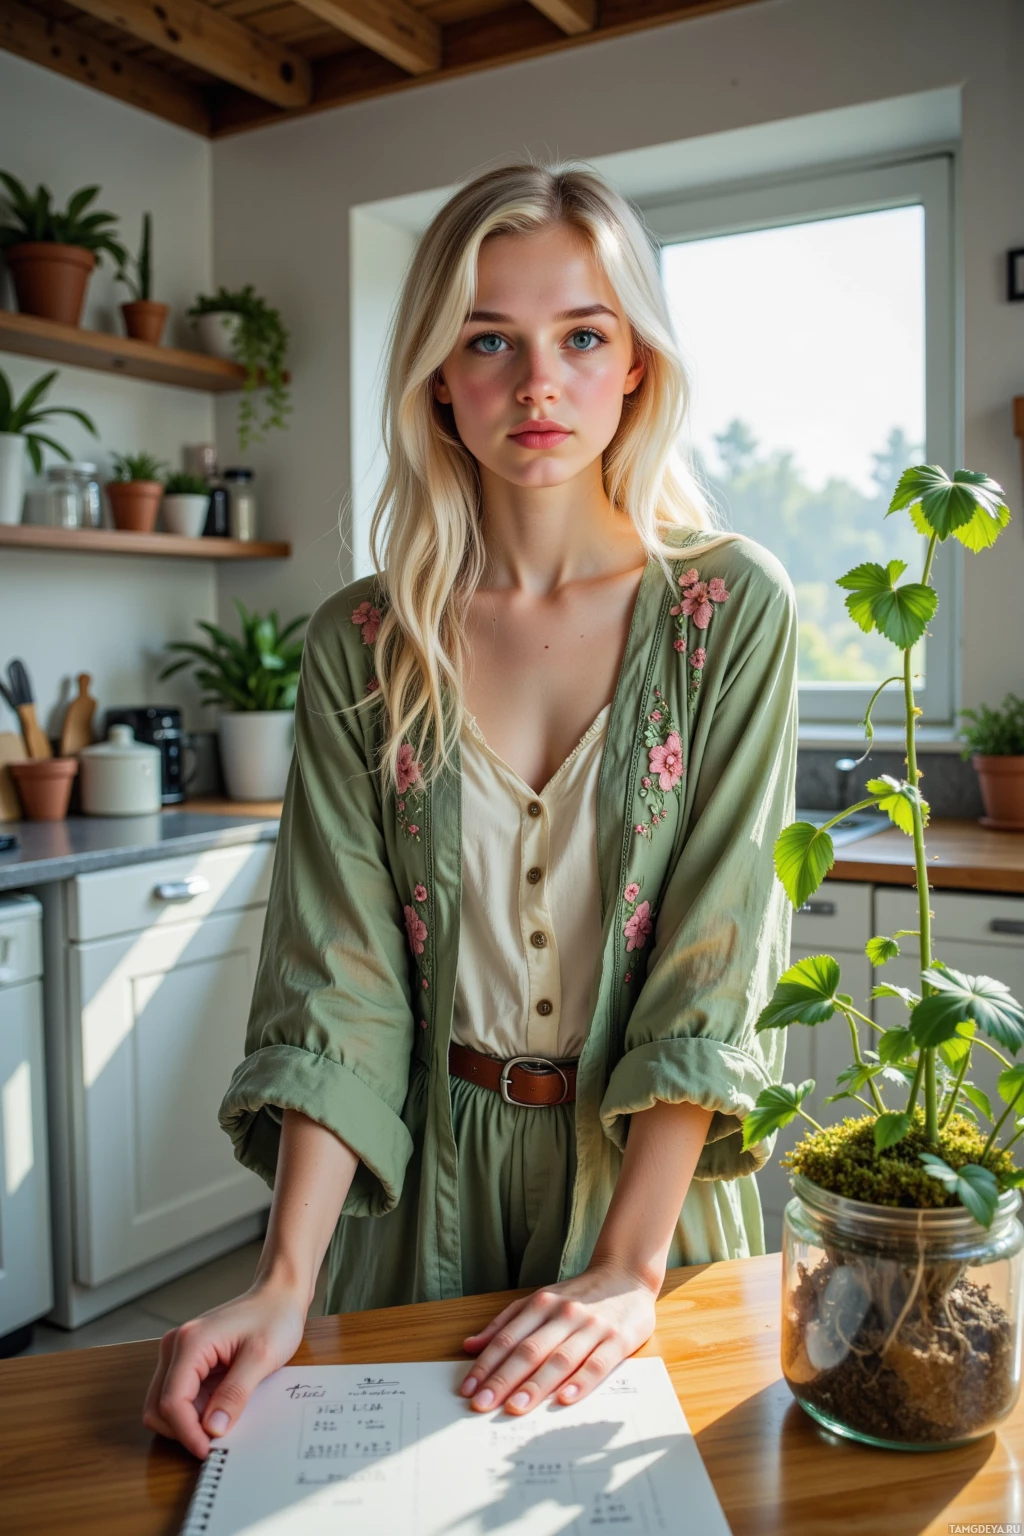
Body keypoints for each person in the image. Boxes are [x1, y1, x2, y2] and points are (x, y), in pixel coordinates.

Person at [142, 161, 798, 1461]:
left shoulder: (729, 612)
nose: (538, 382)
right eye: (490, 339)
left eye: (583, 336)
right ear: (440, 374)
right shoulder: (362, 642)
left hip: (647, 1201)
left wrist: (627, 1269)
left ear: (638, 365)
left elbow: (714, 961)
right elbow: (338, 978)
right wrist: (283, 1280)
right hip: (411, 1198)